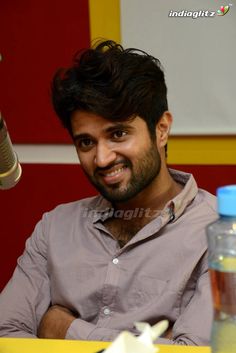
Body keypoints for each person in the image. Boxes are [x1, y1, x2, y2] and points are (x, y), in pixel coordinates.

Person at [0, 40, 217, 345]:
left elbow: (194, 352)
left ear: (162, 129)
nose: (102, 159)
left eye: (118, 134)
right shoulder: (54, 228)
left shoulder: (221, 234)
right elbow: (6, 336)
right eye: (86, 142)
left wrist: (59, 327)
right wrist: (148, 345)